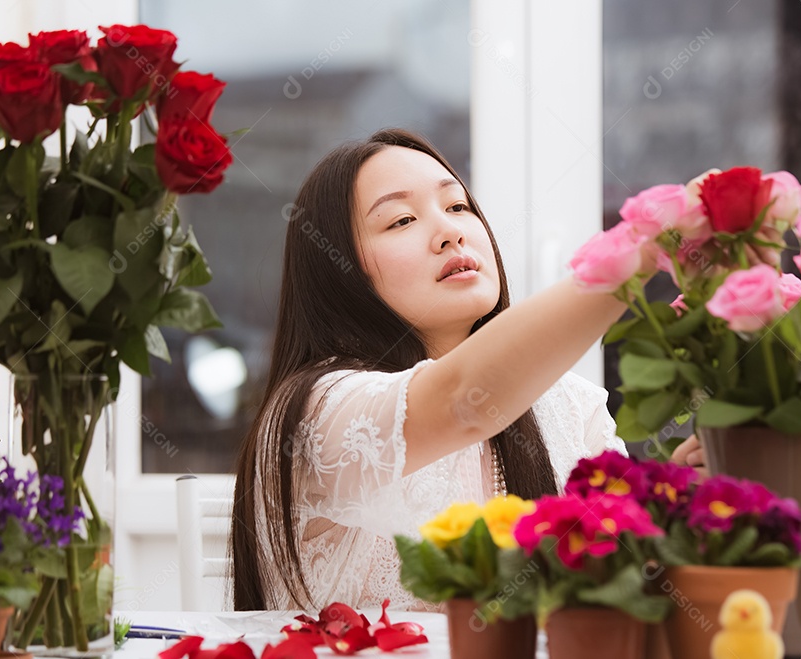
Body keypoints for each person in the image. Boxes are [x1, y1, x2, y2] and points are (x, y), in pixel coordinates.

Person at [230, 128, 703, 612]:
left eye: (458, 207)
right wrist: (643, 249)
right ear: (339, 272)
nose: (451, 231)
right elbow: (465, 399)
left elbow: (623, 585)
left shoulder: (571, 405)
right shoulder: (319, 409)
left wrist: (679, 504)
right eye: (402, 220)